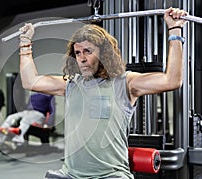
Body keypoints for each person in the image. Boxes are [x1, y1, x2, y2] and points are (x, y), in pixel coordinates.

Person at [17, 7, 187, 179]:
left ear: (104, 53)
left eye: (88, 51)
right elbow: (30, 81)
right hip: (71, 175)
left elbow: (171, 81)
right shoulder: (71, 85)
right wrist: (25, 44)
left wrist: (174, 30)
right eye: (77, 53)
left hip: (111, 175)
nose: (82, 59)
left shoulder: (125, 83)